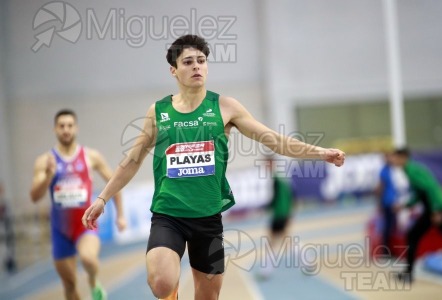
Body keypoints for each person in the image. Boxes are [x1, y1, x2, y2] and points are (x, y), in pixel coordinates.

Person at [82, 34, 345, 300]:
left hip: (208, 218)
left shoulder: (225, 107)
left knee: (208, 296)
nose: (196, 66)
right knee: (162, 282)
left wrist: (320, 152)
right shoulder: (158, 111)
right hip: (168, 214)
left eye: (201, 60)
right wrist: (103, 197)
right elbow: (133, 159)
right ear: (173, 70)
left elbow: (274, 140)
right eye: (188, 62)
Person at [30, 109, 126, 300]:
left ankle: (93, 281)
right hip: (60, 231)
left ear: (76, 128)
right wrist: (48, 176)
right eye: (61, 126)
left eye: (70, 126)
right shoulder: (45, 161)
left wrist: (120, 215)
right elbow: (35, 196)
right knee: (70, 285)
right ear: (55, 129)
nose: (66, 130)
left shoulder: (91, 156)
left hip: (85, 224)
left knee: (88, 259)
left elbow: (114, 183)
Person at [393, 147, 442, 282]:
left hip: (436, 208)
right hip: (432, 208)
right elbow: (420, 193)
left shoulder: (412, 171)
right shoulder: (410, 169)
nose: (394, 160)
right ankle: (408, 273)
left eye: (395, 157)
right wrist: (405, 206)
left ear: (403, 157)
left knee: (412, 236)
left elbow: (429, 188)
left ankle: (408, 273)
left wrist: (436, 210)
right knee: (413, 235)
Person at [375, 151, 409, 256]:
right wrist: (379, 203)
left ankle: (393, 250)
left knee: (394, 227)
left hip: (395, 202)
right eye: (388, 157)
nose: (391, 159)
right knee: (388, 228)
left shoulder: (394, 170)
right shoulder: (385, 171)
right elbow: (380, 188)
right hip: (388, 203)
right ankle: (386, 251)